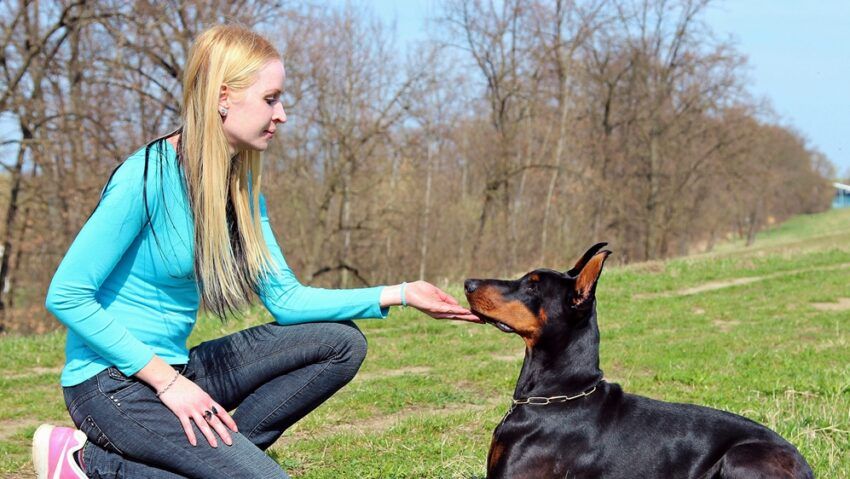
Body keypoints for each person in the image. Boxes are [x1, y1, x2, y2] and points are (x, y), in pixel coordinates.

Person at [32, 24, 479, 479]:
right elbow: (67, 294)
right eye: (271, 99)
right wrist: (168, 385)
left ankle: (207, 462)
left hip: (181, 369)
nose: (282, 114)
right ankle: (88, 463)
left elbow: (286, 300)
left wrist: (401, 293)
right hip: (111, 385)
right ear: (224, 97)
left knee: (340, 343)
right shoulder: (145, 177)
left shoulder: (242, 191)